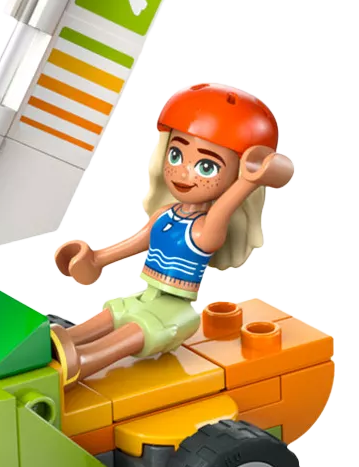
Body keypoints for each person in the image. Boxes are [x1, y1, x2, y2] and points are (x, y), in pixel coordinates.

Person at [51, 85, 293, 383]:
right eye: (176, 155)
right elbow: (136, 242)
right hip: (145, 296)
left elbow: (225, 207)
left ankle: (84, 361)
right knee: (113, 313)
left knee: (136, 330)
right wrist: (96, 259)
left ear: (236, 175)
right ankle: (59, 341)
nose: (183, 172)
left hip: (174, 312)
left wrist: (249, 181)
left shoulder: (205, 230)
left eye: (206, 166)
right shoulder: (165, 215)